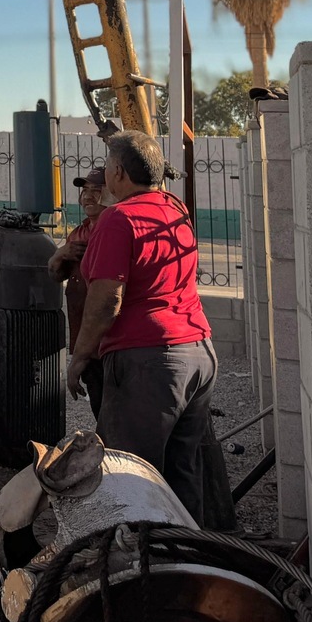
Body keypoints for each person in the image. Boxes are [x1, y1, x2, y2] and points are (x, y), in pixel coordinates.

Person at [67, 130, 215, 521]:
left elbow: (105, 301)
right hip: (196, 352)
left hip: (149, 362)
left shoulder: (118, 219)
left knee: (129, 476)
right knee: (180, 475)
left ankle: (138, 568)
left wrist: (81, 356)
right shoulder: (174, 207)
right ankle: (185, 562)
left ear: (116, 171)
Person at [48, 167, 109, 417]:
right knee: (99, 404)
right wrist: (58, 256)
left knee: (114, 412)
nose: (88, 197)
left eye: (97, 191)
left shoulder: (113, 229)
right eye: (85, 191)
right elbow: (56, 275)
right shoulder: (81, 232)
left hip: (108, 342)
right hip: (85, 339)